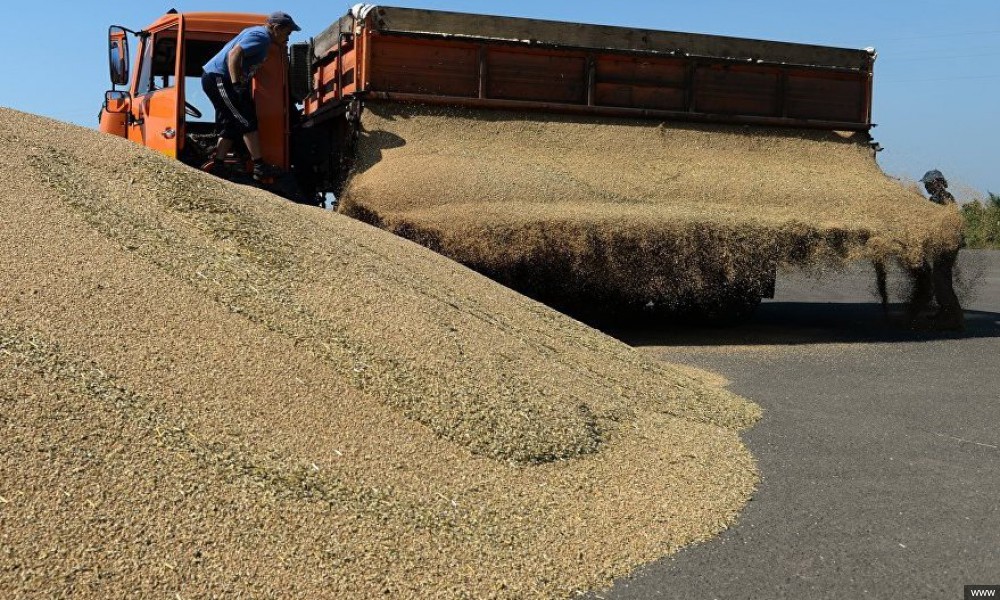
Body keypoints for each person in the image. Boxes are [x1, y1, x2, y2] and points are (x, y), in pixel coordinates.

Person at [200, 12, 301, 181]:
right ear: (276, 28)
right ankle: (260, 167)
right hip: (219, 78)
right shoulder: (262, 38)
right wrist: (236, 85)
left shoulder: (255, 32)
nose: (288, 38)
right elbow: (234, 55)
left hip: (216, 78)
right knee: (246, 120)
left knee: (232, 123)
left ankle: (218, 165)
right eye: (287, 33)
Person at [905, 170, 963, 330]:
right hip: (943, 243)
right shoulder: (940, 197)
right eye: (925, 184)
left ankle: (954, 318)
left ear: (937, 182)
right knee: (941, 278)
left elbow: (938, 219)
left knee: (941, 279)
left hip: (948, 243)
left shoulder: (943, 198)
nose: (926, 187)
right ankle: (945, 312)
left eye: (928, 184)